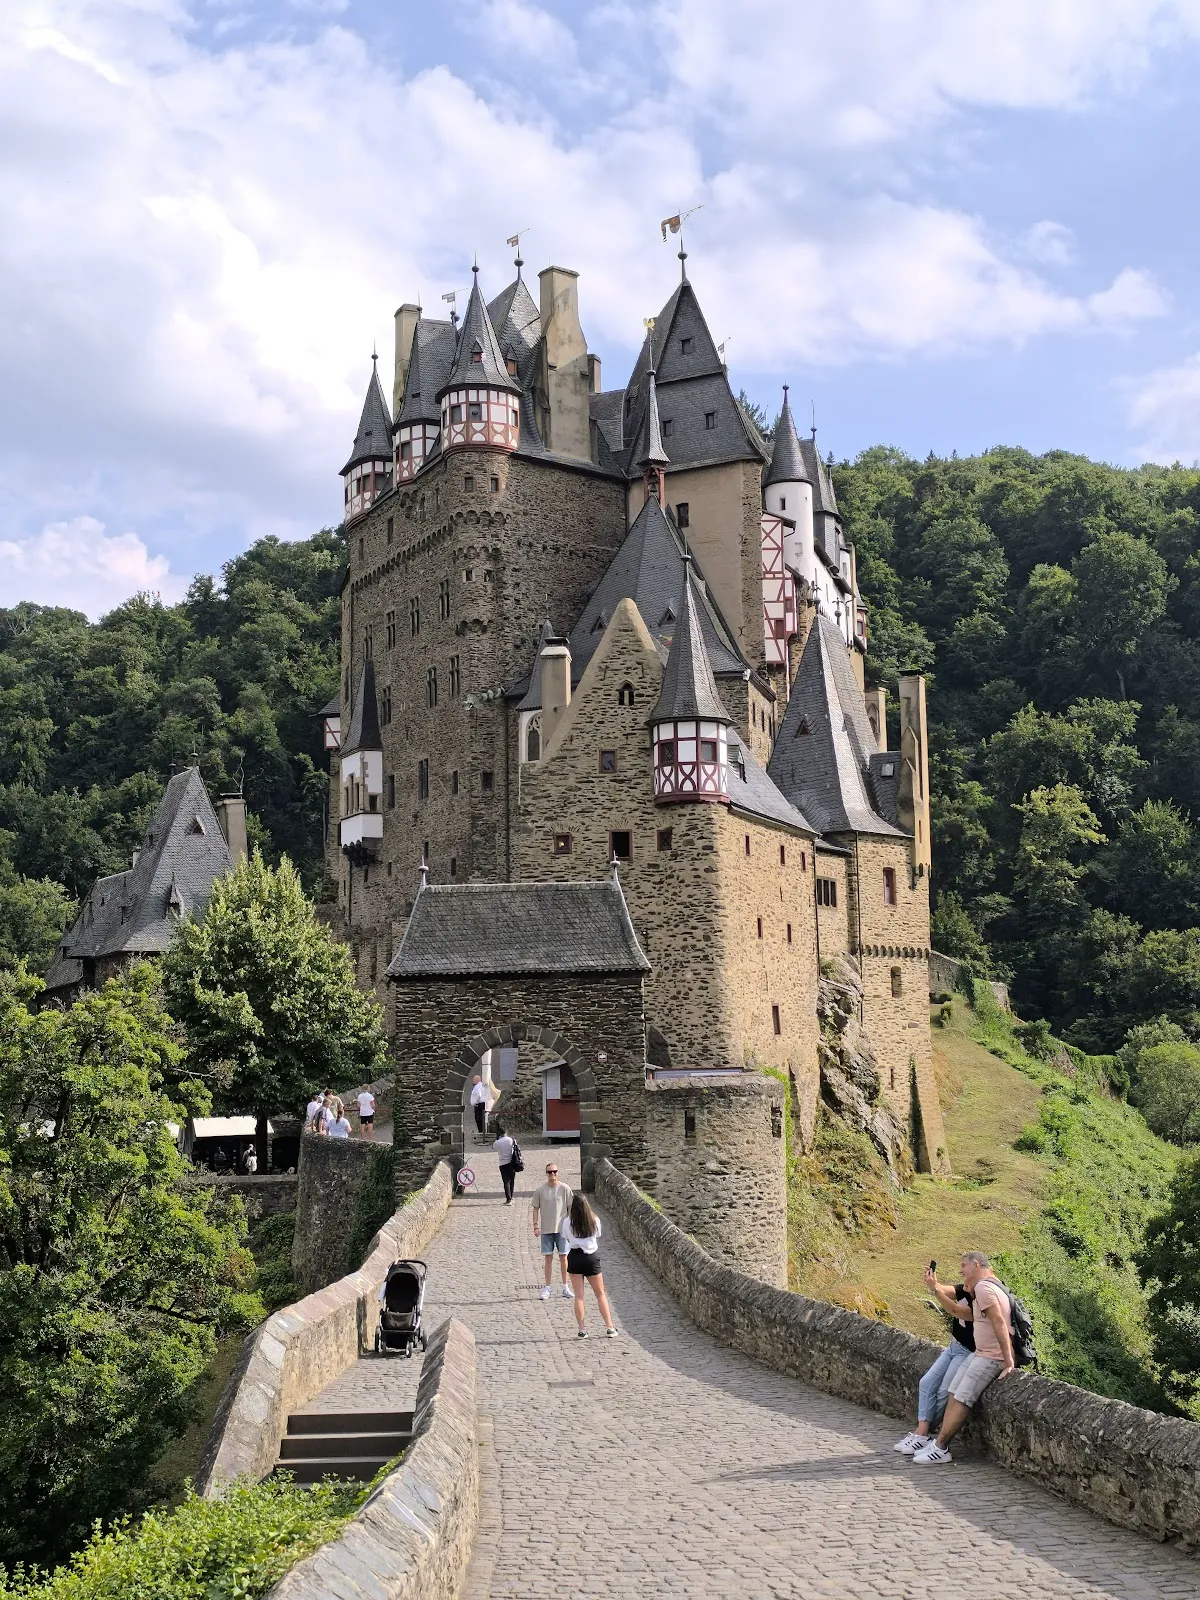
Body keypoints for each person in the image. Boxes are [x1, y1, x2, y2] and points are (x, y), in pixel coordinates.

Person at [913, 1251, 1015, 1465]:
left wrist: (1008, 1361)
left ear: (976, 1264)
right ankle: (938, 1443)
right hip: (980, 1353)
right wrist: (936, 1288)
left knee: (963, 1397)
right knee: (953, 1391)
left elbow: (999, 1323)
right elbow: (968, 1314)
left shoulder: (984, 1288)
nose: (961, 1270)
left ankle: (940, 1447)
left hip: (991, 1357)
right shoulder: (983, 1287)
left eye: (964, 1266)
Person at [893, 1265, 973, 1455]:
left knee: (944, 1392)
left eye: (964, 1268)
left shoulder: (980, 1298)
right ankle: (921, 1433)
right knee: (926, 1382)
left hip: (967, 1351)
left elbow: (956, 1310)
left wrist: (935, 1289)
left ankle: (924, 1433)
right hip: (954, 1346)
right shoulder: (965, 1288)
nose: (961, 1271)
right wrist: (934, 1284)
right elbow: (949, 1290)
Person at [563, 1193, 617, 1339]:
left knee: (579, 1296)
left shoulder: (567, 1222)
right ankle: (610, 1327)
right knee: (600, 1294)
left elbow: (566, 1237)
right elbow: (597, 1235)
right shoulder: (594, 1220)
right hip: (591, 1258)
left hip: (574, 1257)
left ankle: (582, 1330)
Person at [531, 1160, 574, 1300]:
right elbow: (535, 1208)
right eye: (550, 1172)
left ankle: (565, 1287)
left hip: (562, 1229)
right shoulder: (540, 1190)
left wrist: (571, 1225)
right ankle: (547, 1287)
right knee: (548, 1259)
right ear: (546, 1174)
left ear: (558, 1173)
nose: (552, 1174)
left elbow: (570, 1208)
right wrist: (535, 1225)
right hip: (546, 1230)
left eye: (554, 1171)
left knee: (564, 1258)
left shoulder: (565, 1189)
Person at [493, 1123, 519, 1204]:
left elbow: (494, 1148)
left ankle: (508, 1199)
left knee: (506, 1181)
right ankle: (511, 1196)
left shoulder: (497, 1142)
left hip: (503, 1163)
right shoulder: (511, 1140)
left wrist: (497, 1139)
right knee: (512, 1180)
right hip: (512, 1162)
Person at [469, 1074, 489, 1142]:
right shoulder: (482, 1086)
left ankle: (481, 1133)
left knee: (478, 1119)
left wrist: (476, 1102)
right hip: (483, 1104)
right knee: (482, 1118)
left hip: (479, 1105)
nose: (473, 1081)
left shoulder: (477, 1087)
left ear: (477, 1080)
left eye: (474, 1079)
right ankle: (483, 1132)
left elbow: (478, 1095)